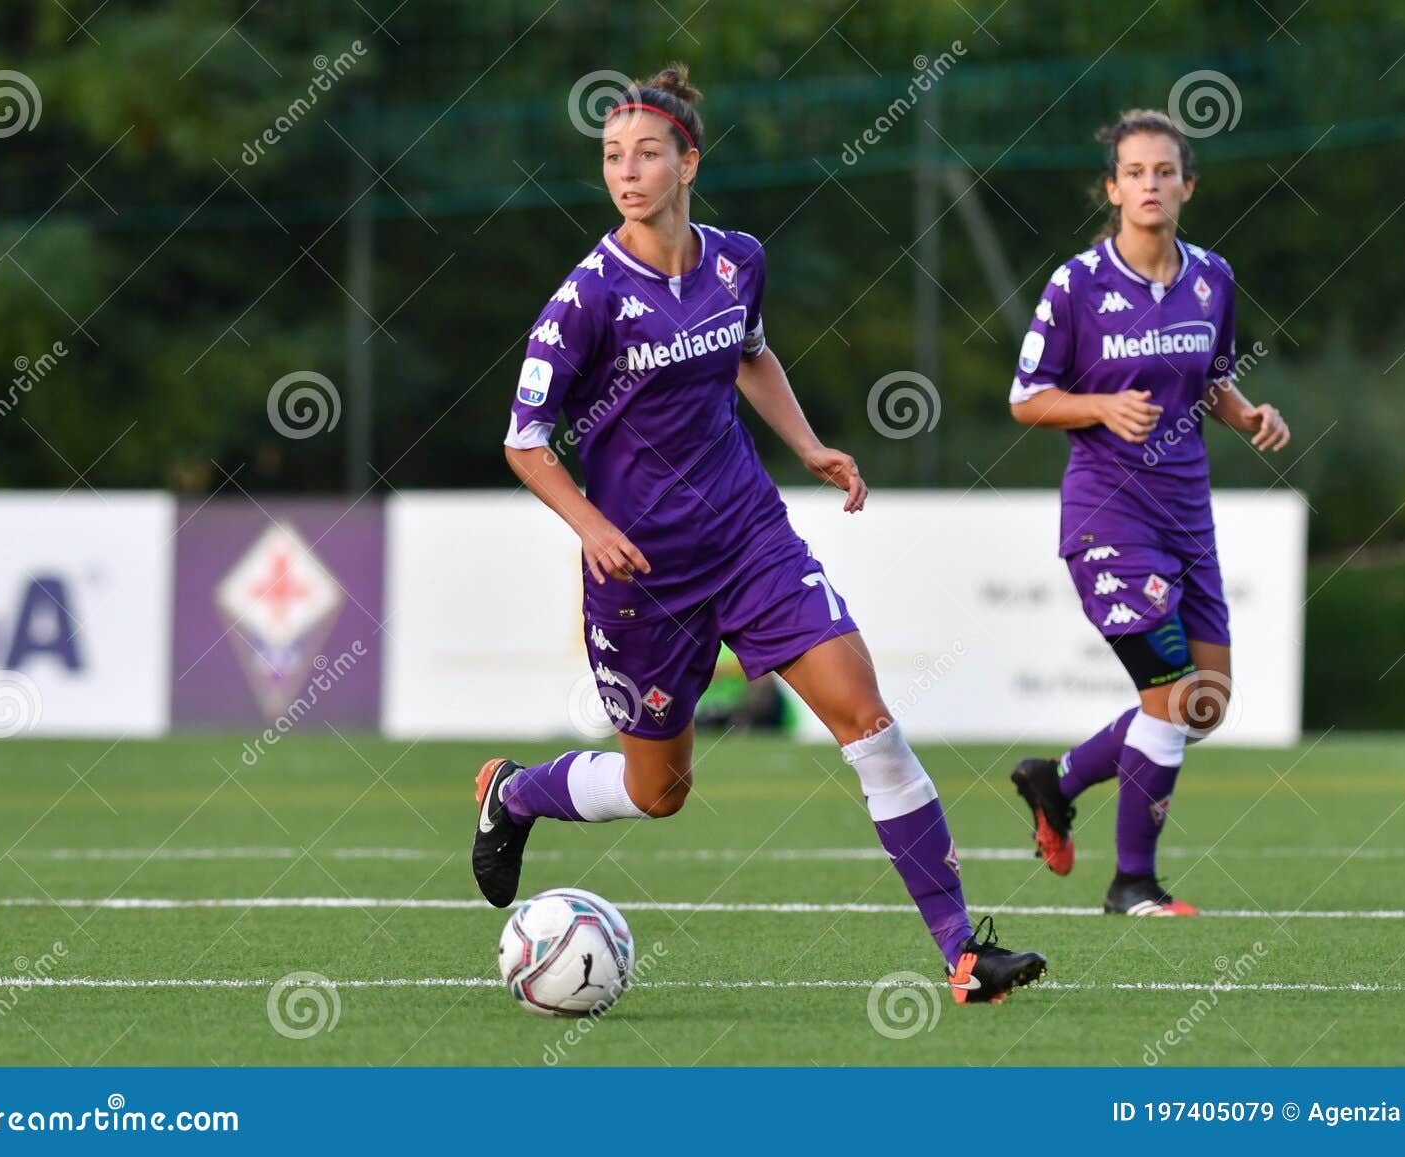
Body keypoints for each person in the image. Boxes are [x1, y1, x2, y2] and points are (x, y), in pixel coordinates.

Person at [477, 63, 1045, 1002]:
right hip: (644, 576)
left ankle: (962, 952)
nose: (627, 171)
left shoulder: (736, 259)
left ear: (687, 162)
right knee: (659, 791)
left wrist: (811, 446)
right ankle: (516, 791)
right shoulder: (586, 298)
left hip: (749, 538)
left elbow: (750, 353)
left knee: (869, 724)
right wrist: (590, 522)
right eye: (613, 156)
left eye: (647, 154)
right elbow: (524, 439)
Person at [1005, 109, 1290, 916]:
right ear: (1113, 188)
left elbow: (1214, 381)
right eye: (1134, 173)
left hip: (1187, 514)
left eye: (1165, 171)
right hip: (1109, 517)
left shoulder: (1213, 278)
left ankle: (1056, 781)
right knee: (1169, 694)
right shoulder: (1077, 284)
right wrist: (1097, 405)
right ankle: (1133, 882)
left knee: (1205, 703)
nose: (1150, 185)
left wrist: (1249, 415)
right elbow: (1026, 399)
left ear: (1187, 185)